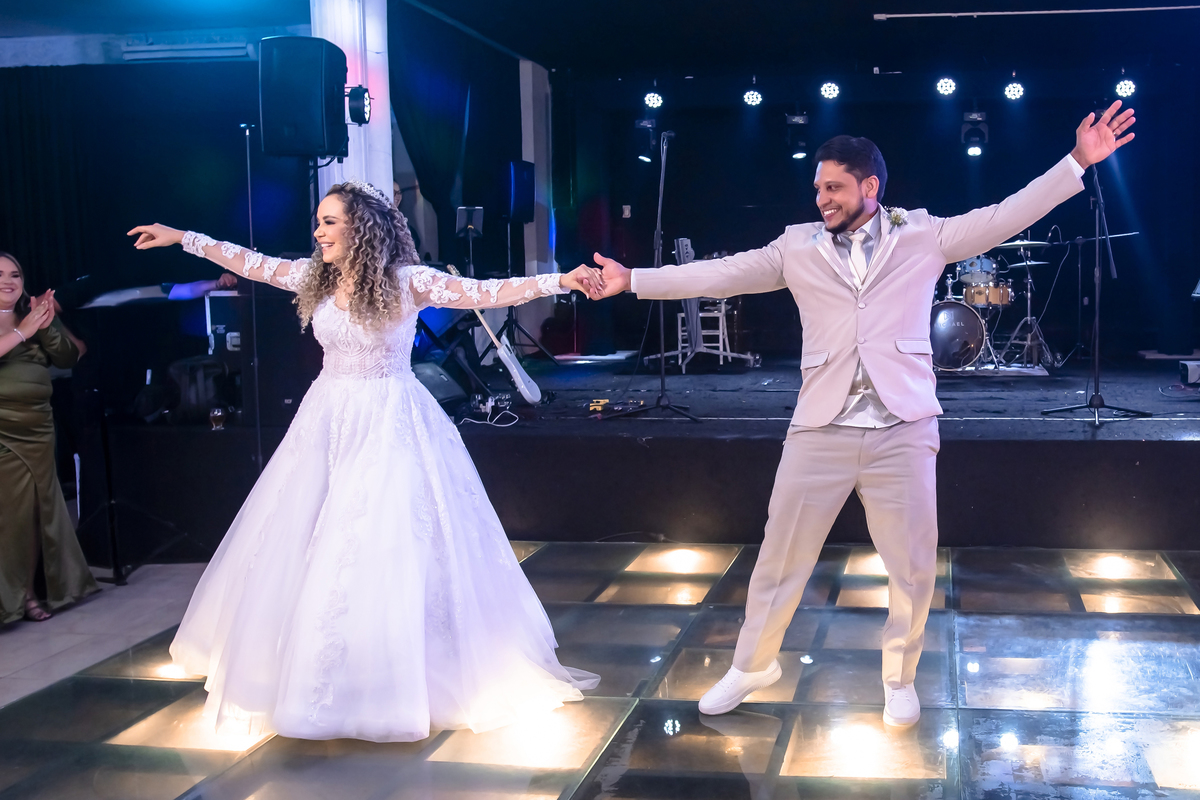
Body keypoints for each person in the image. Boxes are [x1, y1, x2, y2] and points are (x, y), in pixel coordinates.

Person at [591, 102, 1136, 727]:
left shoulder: (924, 235)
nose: (821, 198)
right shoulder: (796, 246)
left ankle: (898, 677)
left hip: (902, 427)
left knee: (911, 567)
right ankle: (751, 665)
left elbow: (1004, 216)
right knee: (778, 558)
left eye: (833, 188)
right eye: (818, 188)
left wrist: (1077, 162)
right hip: (820, 426)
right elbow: (722, 274)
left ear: (869, 186)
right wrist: (633, 279)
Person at [127, 180, 604, 742]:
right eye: (318, 221)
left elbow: (484, 291)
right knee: (312, 536)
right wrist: (183, 237)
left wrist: (560, 280)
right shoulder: (316, 278)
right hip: (327, 419)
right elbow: (250, 262)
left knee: (379, 541)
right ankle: (320, 668)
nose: (318, 232)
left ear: (362, 227)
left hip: (390, 420)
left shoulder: (407, 281)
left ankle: (391, 674)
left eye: (329, 222)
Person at [0, 252, 100, 624]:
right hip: (2, 430)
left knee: (33, 517)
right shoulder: (22, 324)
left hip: (38, 428)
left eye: (15, 274)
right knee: (9, 518)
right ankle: (9, 599)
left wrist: (45, 324)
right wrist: (23, 331)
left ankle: (25, 594)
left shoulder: (33, 314)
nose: (8, 281)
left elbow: (70, 357)